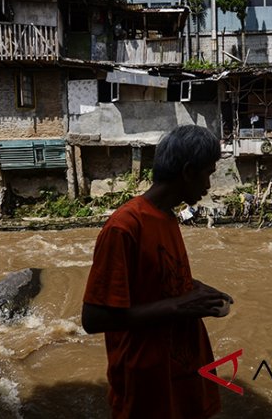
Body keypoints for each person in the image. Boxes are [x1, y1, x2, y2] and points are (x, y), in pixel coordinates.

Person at [82, 124, 234, 419]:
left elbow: (155, 279)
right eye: (208, 173)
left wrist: (195, 289)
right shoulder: (124, 227)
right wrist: (182, 305)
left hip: (180, 378)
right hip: (145, 389)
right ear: (189, 171)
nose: (209, 185)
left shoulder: (167, 218)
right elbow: (94, 317)